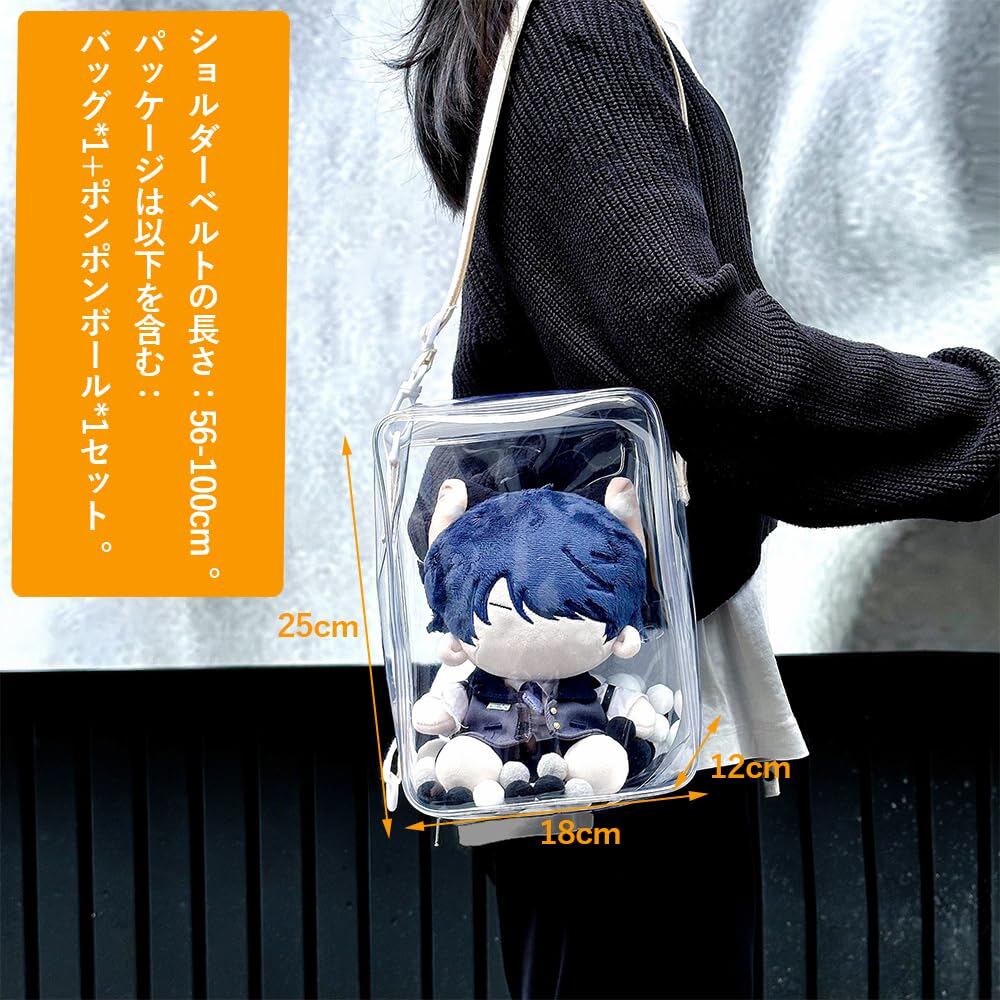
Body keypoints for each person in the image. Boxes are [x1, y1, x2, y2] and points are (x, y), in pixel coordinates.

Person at [392, 1, 1000, 996]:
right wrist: (980, 422)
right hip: (611, 669)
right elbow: (703, 362)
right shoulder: (576, 32)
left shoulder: (546, 30)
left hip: (573, 670)